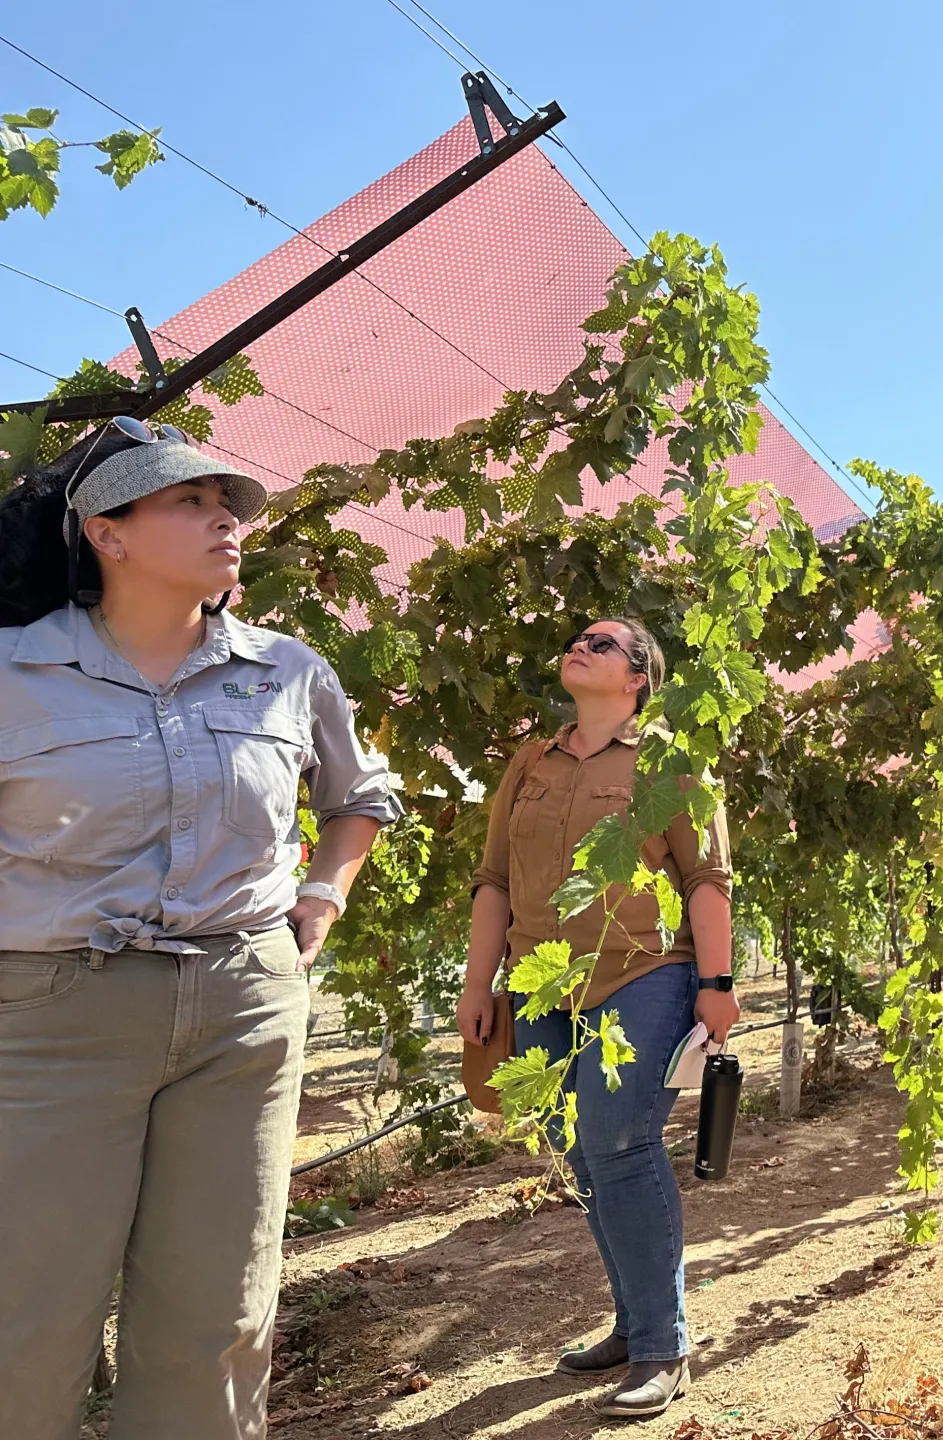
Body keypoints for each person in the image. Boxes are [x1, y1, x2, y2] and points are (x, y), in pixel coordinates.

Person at [0, 417, 402, 1440]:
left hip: (242, 1009)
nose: (224, 516)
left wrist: (326, 892)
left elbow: (362, 794)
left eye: (228, 502)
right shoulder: (13, 671)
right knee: (24, 1316)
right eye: (188, 500)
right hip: (51, 1017)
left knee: (218, 1314)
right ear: (107, 531)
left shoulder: (286, 669)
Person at [456, 616, 738, 1421]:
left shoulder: (673, 764)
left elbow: (705, 880)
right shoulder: (531, 763)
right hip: (543, 983)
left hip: (643, 973)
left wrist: (717, 981)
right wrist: (480, 983)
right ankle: (633, 1320)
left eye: (604, 644)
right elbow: (494, 880)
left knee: (618, 1139)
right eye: (580, 638)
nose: (582, 645)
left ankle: (662, 1344)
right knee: (573, 1145)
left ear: (637, 680)